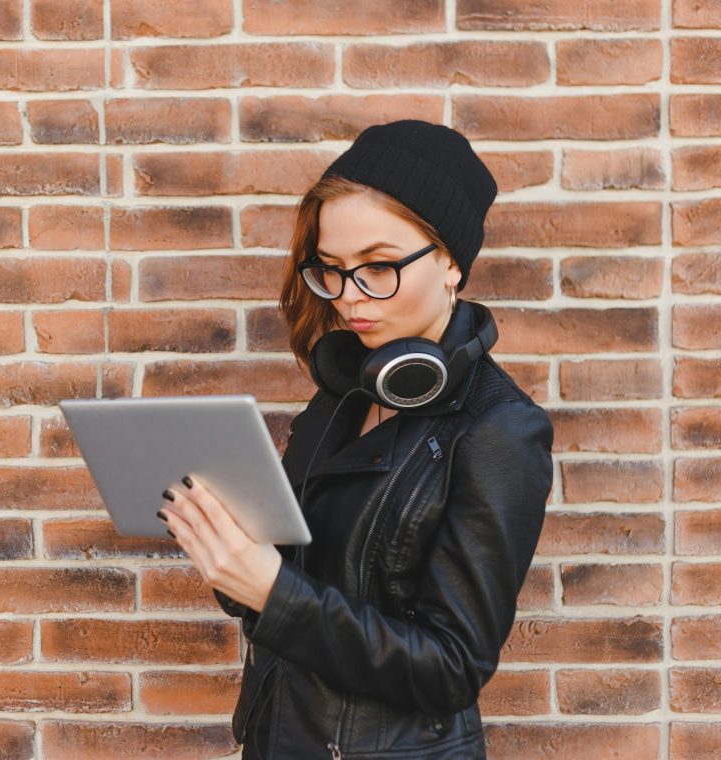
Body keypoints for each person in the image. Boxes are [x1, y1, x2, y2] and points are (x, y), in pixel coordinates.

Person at [158, 120, 554, 759]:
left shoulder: (500, 430)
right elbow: (301, 581)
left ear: (451, 260)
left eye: (378, 266)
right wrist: (233, 558)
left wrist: (271, 591)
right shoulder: (341, 395)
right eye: (332, 270)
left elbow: (452, 668)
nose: (348, 297)